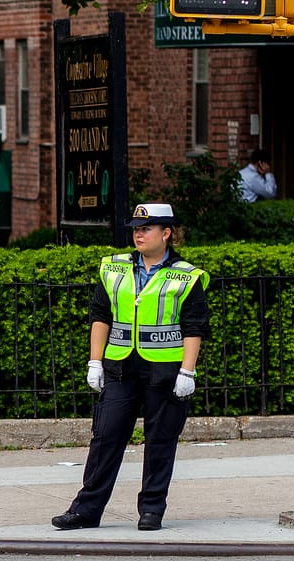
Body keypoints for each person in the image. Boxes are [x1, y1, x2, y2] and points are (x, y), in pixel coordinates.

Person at [51, 202, 210, 532]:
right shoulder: (114, 268)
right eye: (136, 229)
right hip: (120, 367)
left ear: (166, 233)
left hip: (165, 371)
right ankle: (86, 510)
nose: (138, 234)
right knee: (105, 437)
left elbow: (194, 326)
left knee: (160, 441)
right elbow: (100, 315)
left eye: (146, 229)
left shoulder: (187, 276)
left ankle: (151, 510)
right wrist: (95, 361)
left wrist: (187, 371)